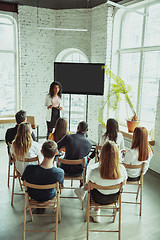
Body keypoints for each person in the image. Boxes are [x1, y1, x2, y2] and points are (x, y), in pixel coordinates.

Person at [75, 141, 127, 222]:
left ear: (102, 154)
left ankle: (95, 209)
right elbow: (124, 184)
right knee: (97, 186)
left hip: (98, 198)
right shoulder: (122, 170)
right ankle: (95, 210)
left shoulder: (94, 171)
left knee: (91, 186)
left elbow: (89, 185)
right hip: (114, 198)